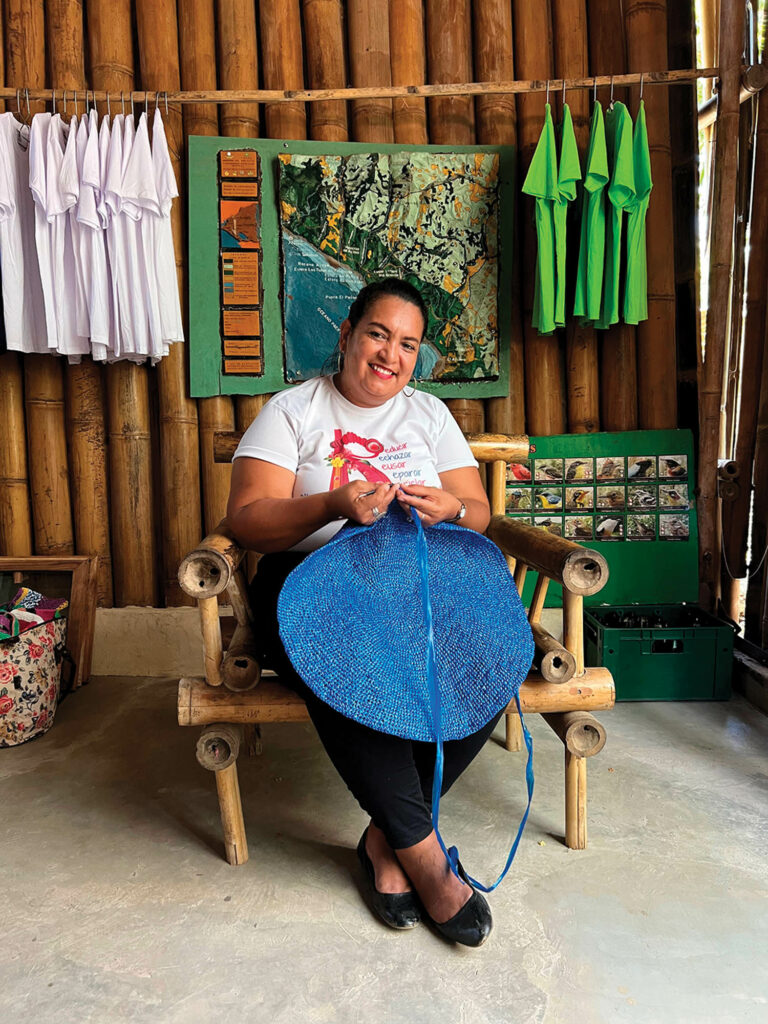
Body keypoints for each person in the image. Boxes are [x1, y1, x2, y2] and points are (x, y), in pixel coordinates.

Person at [227, 278, 499, 946]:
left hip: (413, 585)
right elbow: (248, 521)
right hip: (309, 584)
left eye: (408, 343)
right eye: (379, 333)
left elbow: (481, 514)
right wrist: (331, 504)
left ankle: (385, 838)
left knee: (493, 651)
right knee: (348, 666)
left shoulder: (429, 416)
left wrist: (453, 510)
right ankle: (427, 860)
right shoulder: (293, 412)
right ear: (347, 333)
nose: (391, 354)